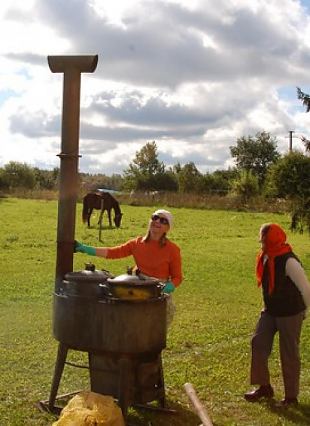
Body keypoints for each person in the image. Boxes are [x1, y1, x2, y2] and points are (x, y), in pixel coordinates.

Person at [75, 209, 182, 322]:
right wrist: (86, 249)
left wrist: (169, 286)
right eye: (155, 217)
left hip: (158, 292)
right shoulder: (136, 243)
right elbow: (113, 253)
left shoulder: (173, 250)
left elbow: (177, 277)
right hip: (138, 288)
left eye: (163, 221)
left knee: (155, 327)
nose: (157, 222)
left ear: (167, 228)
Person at [244, 223, 310, 406]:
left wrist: (305, 311)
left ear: (275, 240)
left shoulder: (289, 261)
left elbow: (305, 288)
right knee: (258, 342)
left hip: (290, 312)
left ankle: (291, 397)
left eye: (266, 241)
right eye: (262, 240)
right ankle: (264, 387)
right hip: (271, 310)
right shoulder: (265, 257)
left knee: (288, 352)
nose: (262, 244)